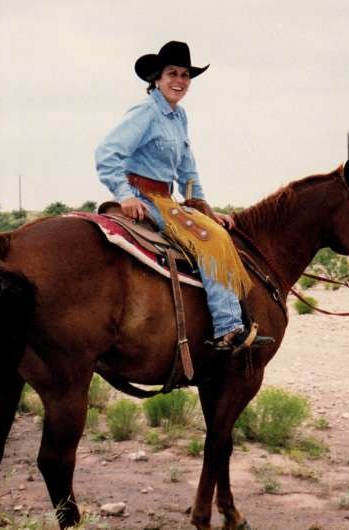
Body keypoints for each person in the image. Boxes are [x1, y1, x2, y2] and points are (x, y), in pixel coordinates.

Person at [95, 40, 273, 352]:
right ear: (157, 79)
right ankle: (228, 326)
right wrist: (124, 194)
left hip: (167, 199)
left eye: (185, 75)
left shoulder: (179, 117)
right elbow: (107, 152)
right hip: (145, 197)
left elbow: (188, 172)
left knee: (214, 228)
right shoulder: (146, 113)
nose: (179, 81)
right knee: (212, 240)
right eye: (172, 74)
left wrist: (204, 208)